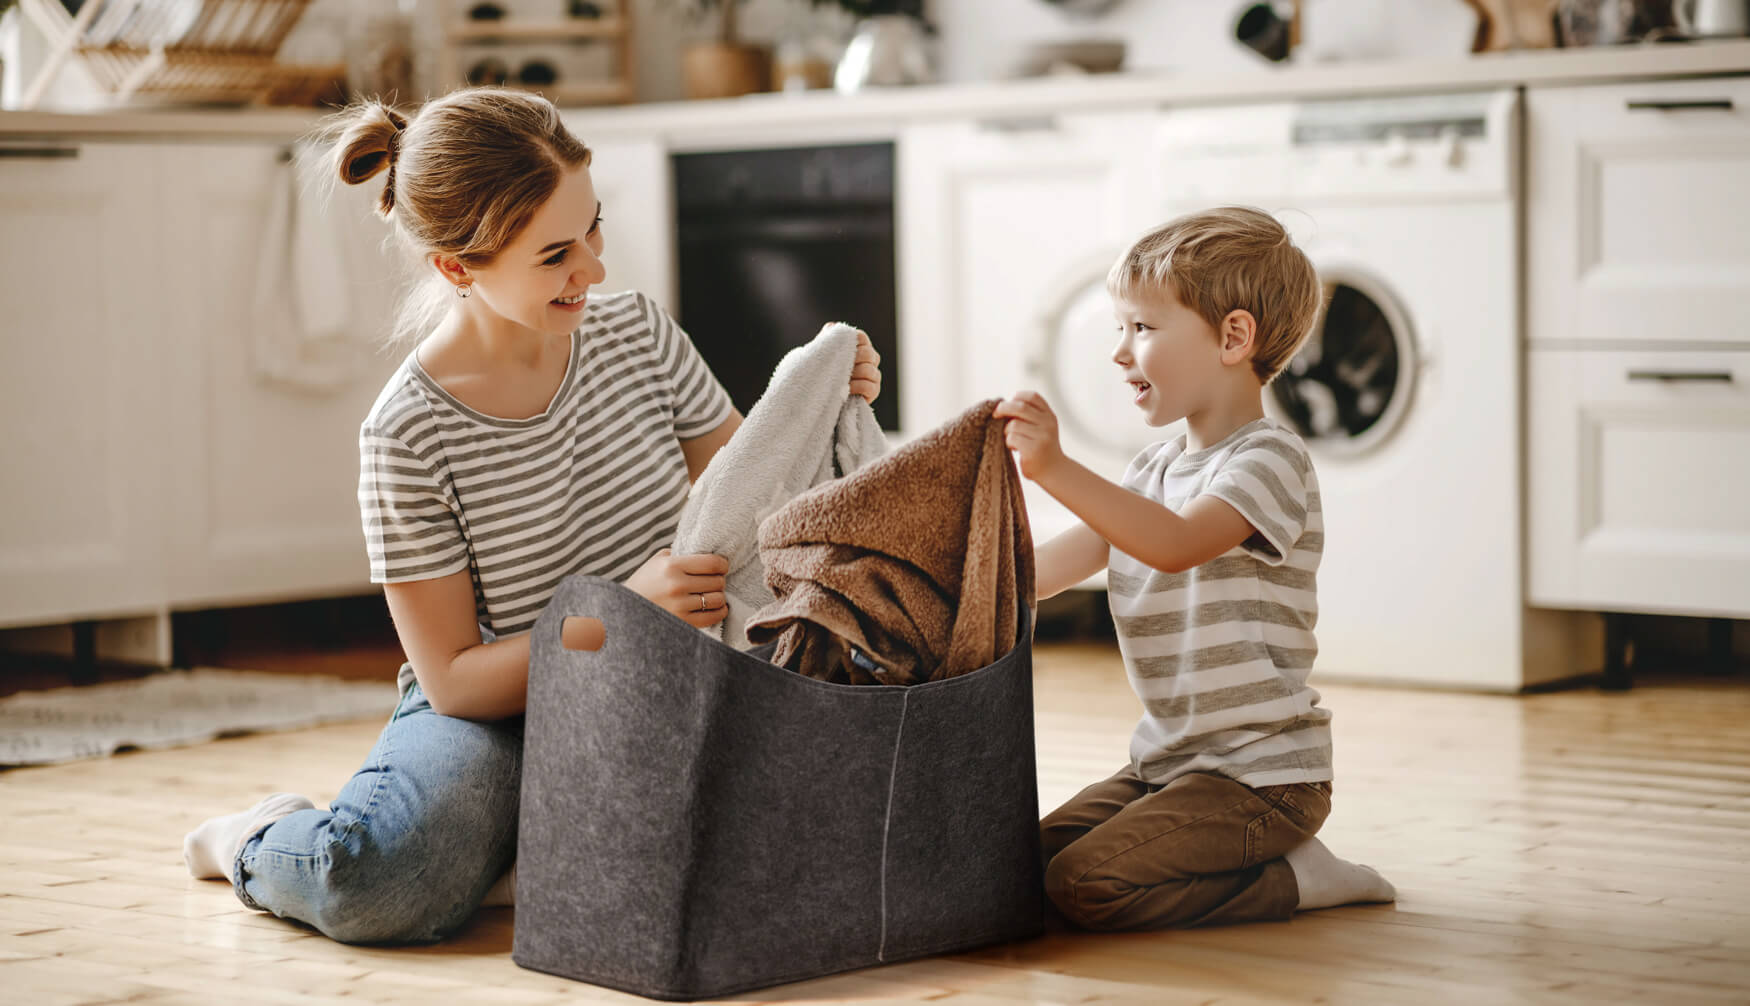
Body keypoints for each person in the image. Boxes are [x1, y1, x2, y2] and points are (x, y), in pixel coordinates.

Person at [180, 87, 881, 944]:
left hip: (662, 684)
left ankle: (536, 856)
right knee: (377, 883)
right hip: (499, 715)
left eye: (593, 229)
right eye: (555, 255)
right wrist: (621, 614)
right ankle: (257, 838)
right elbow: (454, 679)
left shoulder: (640, 335)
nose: (592, 269)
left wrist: (826, 403)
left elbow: (763, 504)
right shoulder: (406, 434)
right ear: (457, 268)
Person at [994, 207, 1395, 930]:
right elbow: (1048, 570)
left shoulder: (1269, 460)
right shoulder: (1152, 468)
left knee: (1085, 884)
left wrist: (1052, 467)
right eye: (1121, 328)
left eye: (1142, 329)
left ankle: (1298, 879)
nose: (1120, 353)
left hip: (1265, 779)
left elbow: (1175, 542)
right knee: (1015, 871)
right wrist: (960, 577)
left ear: (1233, 338)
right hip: (1170, 767)